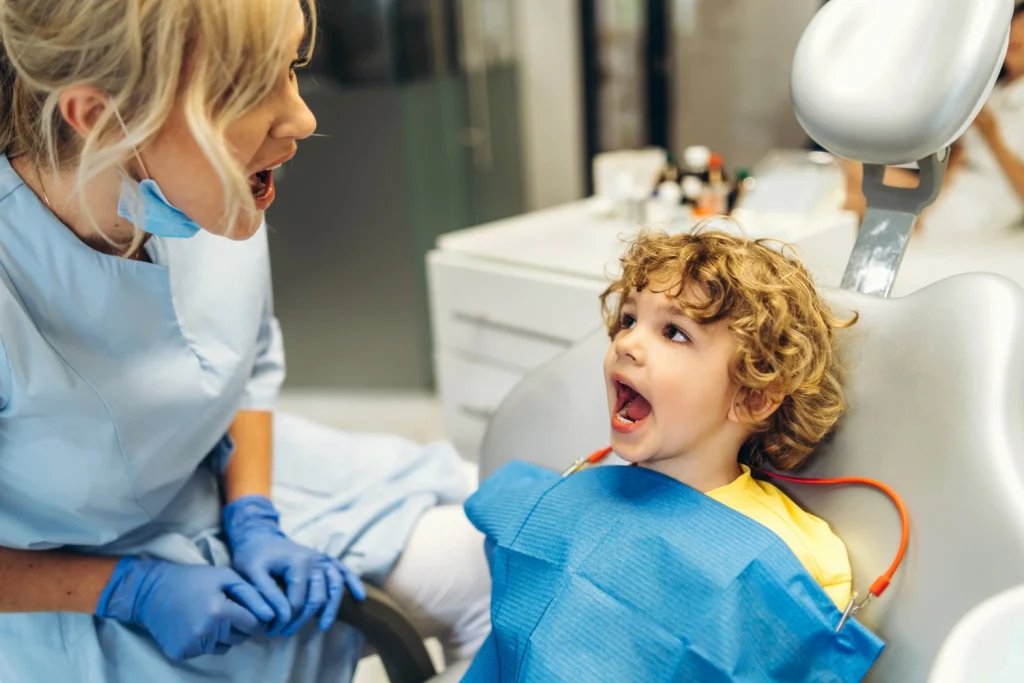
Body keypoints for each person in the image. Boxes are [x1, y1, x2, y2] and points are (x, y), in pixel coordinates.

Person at [0, 1, 489, 681]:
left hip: (229, 488)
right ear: (99, 116)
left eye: (291, 69)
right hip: (57, 589)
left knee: (504, 550)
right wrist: (126, 586)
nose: (304, 119)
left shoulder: (207, 194)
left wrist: (253, 513)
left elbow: (247, 362)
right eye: (250, 88)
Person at [462, 228, 883, 681]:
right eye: (628, 320)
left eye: (674, 333)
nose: (626, 343)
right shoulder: (585, 489)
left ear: (754, 397)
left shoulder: (791, 553)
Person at [844, 1, 1024, 238]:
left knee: (856, 200)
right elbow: (960, 157)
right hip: (956, 185)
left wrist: (991, 137)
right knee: (851, 170)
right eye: (1011, 34)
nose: (1014, 37)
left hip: (990, 198)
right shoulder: (993, 92)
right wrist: (939, 190)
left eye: (1019, 41)